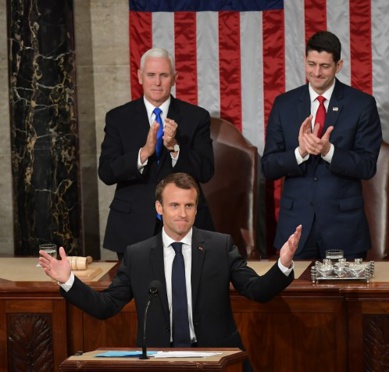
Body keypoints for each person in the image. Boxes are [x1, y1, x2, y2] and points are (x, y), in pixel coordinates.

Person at [39, 172, 301, 372]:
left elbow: (257, 291)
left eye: (189, 206)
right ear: (159, 208)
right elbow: (106, 306)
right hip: (158, 360)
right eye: (174, 205)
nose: (182, 214)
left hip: (217, 359)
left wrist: (284, 264)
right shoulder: (138, 254)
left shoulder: (220, 246)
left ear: (197, 209)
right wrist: (68, 281)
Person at [262, 31, 382, 260]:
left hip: (344, 230)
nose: (316, 73)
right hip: (295, 228)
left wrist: (329, 152)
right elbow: (268, 167)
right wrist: (300, 152)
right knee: (297, 296)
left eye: (325, 66)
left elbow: (367, 166)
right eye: (311, 64)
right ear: (304, 61)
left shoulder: (362, 105)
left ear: (339, 65)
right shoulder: (284, 104)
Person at [99, 47, 215, 260]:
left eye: (164, 75)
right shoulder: (118, 118)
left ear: (175, 79)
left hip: (185, 225)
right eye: (151, 75)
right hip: (132, 227)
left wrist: (175, 148)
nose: (157, 82)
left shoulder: (196, 117)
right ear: (140, 77)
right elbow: (106, 172)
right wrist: (143, 153)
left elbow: (206, 171)